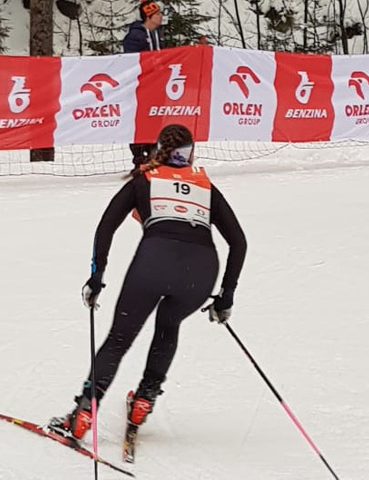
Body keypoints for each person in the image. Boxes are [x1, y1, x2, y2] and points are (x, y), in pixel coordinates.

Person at [49, 124, 248, 440]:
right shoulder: (205, 185)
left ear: (158, 149)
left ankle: (83, 414)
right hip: (201, 273)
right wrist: (227, 295)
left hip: (154, 265)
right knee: (169, 325)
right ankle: (144, 400)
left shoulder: (144, 179)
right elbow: (239, 242)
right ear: (190, 153)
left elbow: (105, 227)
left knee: (119, 339)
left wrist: (97, 277)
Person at [124, 1, 164, 167]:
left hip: (155, 84)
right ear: (149, 16)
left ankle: (153, 151)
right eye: (157, 14)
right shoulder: (136, 36)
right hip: (140, 85)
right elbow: (130, 59)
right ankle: (139, 157)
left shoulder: (156, 34)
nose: (161, 17)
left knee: (155, 117)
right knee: (140, 119)